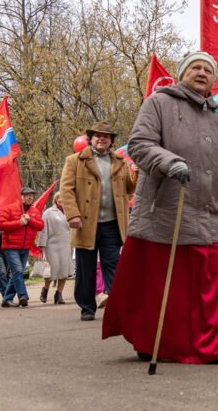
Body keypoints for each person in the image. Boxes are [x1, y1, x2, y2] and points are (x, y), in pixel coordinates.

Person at [103, 50, 218, 365]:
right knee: (162, 287)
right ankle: (153, 341)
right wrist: (169, 162)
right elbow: (139, 144)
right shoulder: (159, 104)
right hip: (165, 210)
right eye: (195, 67)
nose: (201, 72)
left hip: (210, 215)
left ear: (213, 80)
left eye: (208, 69)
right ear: (182, 74)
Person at [59, 121, 136, 321]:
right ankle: (87, 307)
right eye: (98, 136)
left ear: (111, 141)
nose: (102, 139)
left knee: (113, 264)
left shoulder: (120, 162)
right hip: (85, 223)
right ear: (90, 139)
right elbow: (66, 190)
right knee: (86, 268)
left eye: (106, 136)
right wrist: (73, 214)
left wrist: (135, 172)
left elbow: (129, 189)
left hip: (113, 223)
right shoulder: (75, 161)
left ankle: (116, 304)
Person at [0, 187, 44, 308]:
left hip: (26, 247)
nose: (30, 197)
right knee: (17, 271)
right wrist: (19, 223)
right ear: (21, 196)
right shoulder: (10, 208)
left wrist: (30, 220)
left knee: (16, 273)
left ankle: (7, 299)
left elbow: (40, 225)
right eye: (27, 195)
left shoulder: (34, 210)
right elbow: (0, 225)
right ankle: (23, 296)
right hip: (11, 246)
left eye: (32, 195)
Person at [38, 192, 71, 304]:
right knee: (52, 270)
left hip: (66, 244)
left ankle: (59, 294)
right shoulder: (48, 212)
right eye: (59, 198)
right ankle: (45, 289)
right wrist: (42, 245)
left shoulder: (71, 211)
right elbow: (43, 230)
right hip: (52, 245)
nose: (61, 199)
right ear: (55, 200)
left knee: (64, 270)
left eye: (64, 197)